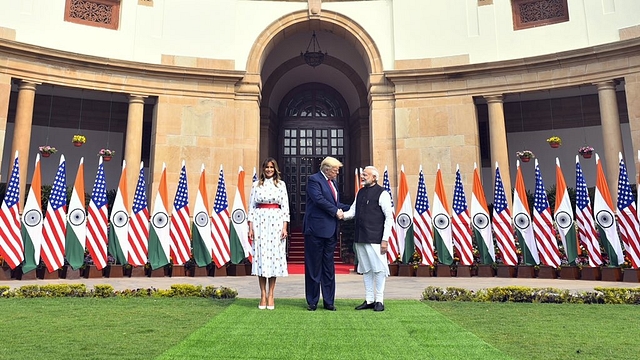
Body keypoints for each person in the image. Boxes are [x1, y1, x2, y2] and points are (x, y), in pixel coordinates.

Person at [343, 166, 393, 312]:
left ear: (374, 177)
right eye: (362, 174)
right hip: (361, 237)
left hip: (376, 238)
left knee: (379, 269)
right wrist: (340, 215)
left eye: (365, 174)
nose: (363, 176)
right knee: (366, 269)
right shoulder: (360, 192)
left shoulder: (382, 193)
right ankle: (369, 299)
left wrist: (385, 239)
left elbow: (389, 217)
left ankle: (379, 300)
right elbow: (352, 211)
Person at [303, 156, 350, 311]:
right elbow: (319, 200)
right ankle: (312, 301)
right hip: (315, 230)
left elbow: (335, 204)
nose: (337, 173)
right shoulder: (314, 180)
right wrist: (336, 211)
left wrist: (354, 207)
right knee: (314, 267)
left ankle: (329, 301)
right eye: (336, 170)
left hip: (330, 231)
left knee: (329, 268)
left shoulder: (333, 183)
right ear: (327, 169)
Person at [248, 157, 290, 310]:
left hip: (276, 222)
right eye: (267, 167)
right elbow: (251, 207)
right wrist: (251, 228)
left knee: (273, 258)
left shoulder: (281, 185)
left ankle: (271, 294)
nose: (269, 170)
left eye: (271, 167)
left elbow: (285, 207)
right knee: (261, 257)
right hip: (260, 222)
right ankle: (262, 294)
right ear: (263, 169)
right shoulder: (256, 185)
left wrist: (284, 227)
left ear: (275, 169)